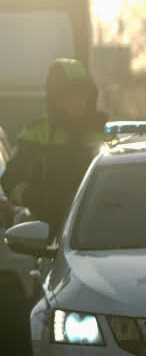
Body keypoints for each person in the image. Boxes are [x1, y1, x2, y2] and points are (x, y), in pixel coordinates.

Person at [0, 59, 107, 235]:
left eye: (82, 94)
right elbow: (10, 179)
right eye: (69, 95)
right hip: (46, 229)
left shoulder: (103, 130)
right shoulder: (36, 133)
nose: (78, 101)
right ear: (55, 98)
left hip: (96, 227)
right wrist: (34, 197)